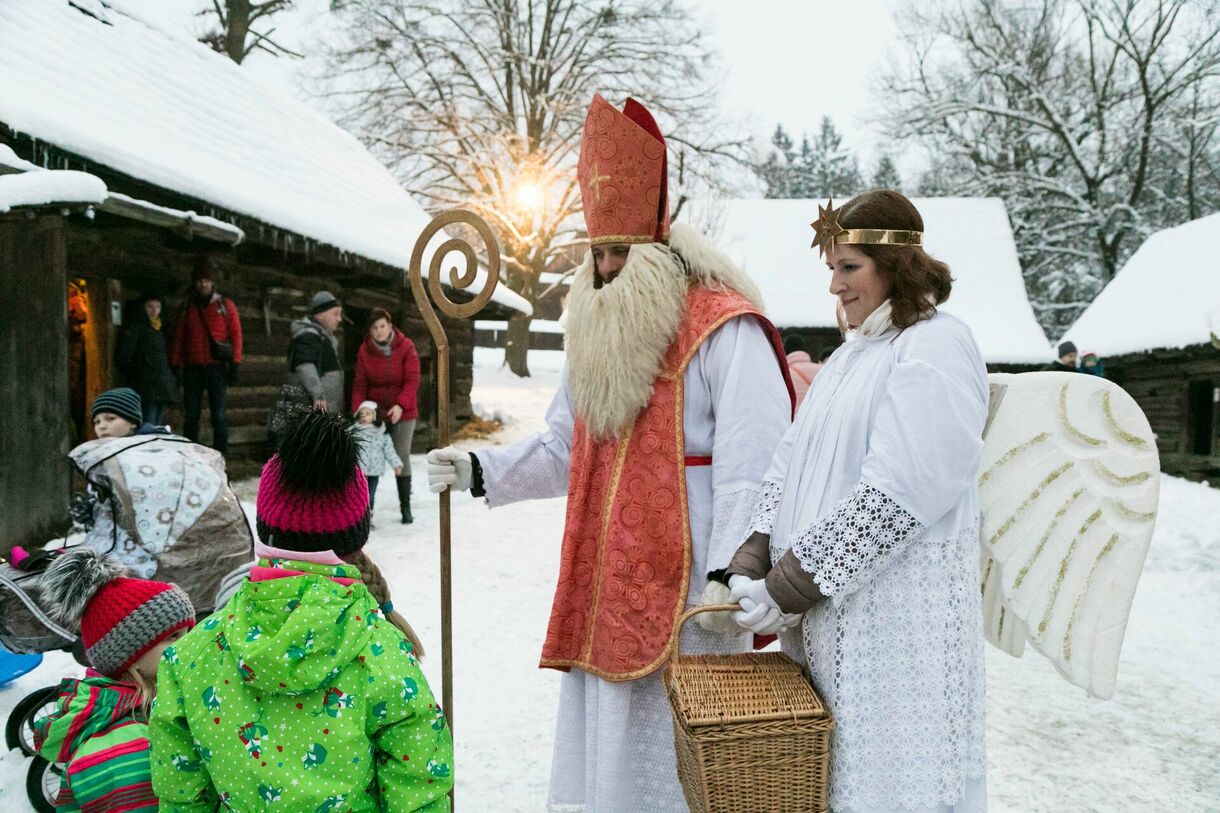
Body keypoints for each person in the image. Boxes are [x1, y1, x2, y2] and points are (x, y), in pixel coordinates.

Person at [427, 93, 793, 811]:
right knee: (612, 773)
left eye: (621, 253)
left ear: (657, 249)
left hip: (693, 586)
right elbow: (566, 446)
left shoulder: (725, 327)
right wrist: (479, 468)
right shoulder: (593, 330)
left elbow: (759, 461)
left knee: (690, 764)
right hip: (605, 583)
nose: (607, 268)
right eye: (598, 254)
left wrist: (731, 571)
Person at [725, 190, 988, 812]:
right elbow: (788, 463)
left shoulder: (935, 345)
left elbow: (898, 494)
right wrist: (754, 554)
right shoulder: (852, 356)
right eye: (832, 270)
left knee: (888, 787)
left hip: (896, 634)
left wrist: (788, 587)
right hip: (830, 619)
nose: (836, 287)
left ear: (896, 265)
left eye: (850, 267)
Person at [148, 410, 451, 811]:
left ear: (265, 526)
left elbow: (181, 797)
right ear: (357, 533)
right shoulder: (385, 657)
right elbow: (419, 795)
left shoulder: (189, 657)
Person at [34, 548, 197, 813]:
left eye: (190, 631)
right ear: (130, 657)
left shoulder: (160, 705)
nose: (190, 643)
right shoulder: (127, 748)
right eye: (173, 637)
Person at [352, 308, 421, 523]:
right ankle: (365, 510)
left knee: (400, 455)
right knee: (367, 459)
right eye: (374, 328)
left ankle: (405, 508)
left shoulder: (406, 347)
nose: (379, 331)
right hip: (375, 413)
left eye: (382, 326)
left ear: (390, 326)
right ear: (370, 331)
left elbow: (413, 379)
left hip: (404, 411)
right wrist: (359, 412)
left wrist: (401, 405)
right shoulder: (364, 351)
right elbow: (360, 384)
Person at [169, 258, 242, 455]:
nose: (204, 284)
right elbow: (179, 338)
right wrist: (175, 364)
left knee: (218, 415)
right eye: (200, 280)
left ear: (213, 283)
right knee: (191, 416)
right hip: (192, 369)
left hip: (216, 368)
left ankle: (221, 455)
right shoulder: (187, 308)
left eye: (207, 280)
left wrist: (235, 363)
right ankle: (190, 455)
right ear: (195, 283)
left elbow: (236, 335)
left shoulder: (225, 306)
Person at [117, 292, 176, 427]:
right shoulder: (136, 327)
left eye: (158, 307)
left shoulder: (162, 328)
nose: (154, 311)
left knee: (157, 423)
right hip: (145, 383)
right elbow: (125, 355)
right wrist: (137, 374)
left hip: (162, 383)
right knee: (148, 423)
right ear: (143, 307)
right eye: (150, 306)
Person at [288, 291, 345, 413]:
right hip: (313, 410)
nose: (339, 319)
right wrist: (318, 395)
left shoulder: (323, 338)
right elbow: (305, 365)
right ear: (320, 315)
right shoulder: (308, 335)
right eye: (335, 314)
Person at [353, 400, 404, 514]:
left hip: (374, 471)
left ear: (375, 415)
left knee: (370, 494)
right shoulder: (354, 432)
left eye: (367, 413)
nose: (364, 416)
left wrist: (396, 465)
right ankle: (357, 517)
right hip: (358, 472)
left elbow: (389, 450)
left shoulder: (382, 433)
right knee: (358, 496)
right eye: (361, 414)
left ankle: (368, 517)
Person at [783, 333, 823, 407]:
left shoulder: (784, 375)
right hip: (820, 416)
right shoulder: (822, 369)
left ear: (785, 351)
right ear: (803, 348)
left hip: (797, 417)